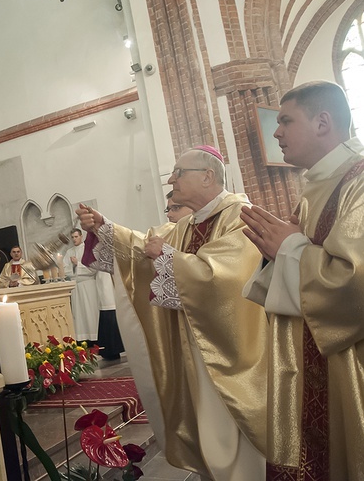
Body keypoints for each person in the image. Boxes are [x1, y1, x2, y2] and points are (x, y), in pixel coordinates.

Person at [78, 145, 268, 481]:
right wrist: (105, 227)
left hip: (228, 350)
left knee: (228, 424)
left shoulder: (238, 215)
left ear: (208, 176)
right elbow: (142, 247)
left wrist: (169, 257)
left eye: (178, 173)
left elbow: (229, 277)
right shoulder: (187, 224)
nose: (170, 180)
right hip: (193, 348)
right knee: (205, 423)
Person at [241, 81, 364, 480]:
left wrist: (291, 249)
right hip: (320, 364)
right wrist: (280, 252)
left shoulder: (359, 181)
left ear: (323, 122)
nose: (275, 132)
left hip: (353, 365)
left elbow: (353, 281)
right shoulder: (316, 188)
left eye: (285, 120)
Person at [63, 229, 100, 343]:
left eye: (76, 236)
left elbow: (93, 269)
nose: (74, 239)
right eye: (72, 237)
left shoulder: (87, 249)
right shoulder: (69, 252)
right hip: (76, 286)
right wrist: (73, 268)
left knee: (90, 311)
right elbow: (64, 269)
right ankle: (82, 338)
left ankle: (94, 338)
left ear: (81, 236)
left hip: (88, 285)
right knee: (79, 314)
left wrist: (77, 264)